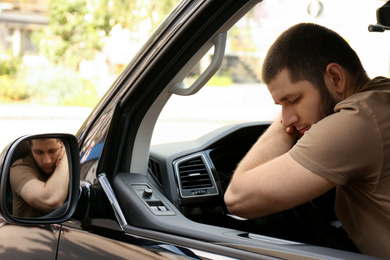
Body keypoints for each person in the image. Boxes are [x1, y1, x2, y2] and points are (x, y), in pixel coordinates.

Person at [224, 23, 390, 258]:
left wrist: (287, 126)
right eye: (281, 106)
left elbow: (237, 199)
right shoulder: (382, 96)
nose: (286, 119)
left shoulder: (358, 122)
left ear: (335, 77)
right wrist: (291, 108)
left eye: (293, 99)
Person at [10, 138, 69, 218]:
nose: (47, 161)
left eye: (52, 151)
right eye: (39, 152)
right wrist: (67, 155)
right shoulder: (18, 169)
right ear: (29, 146)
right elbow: (52, 200)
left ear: (62, 144)